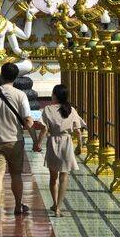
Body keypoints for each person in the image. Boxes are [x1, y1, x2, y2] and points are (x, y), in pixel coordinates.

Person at [0, 62, 33, 218]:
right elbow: (28, 119)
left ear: (1, 75)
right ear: (16, 77)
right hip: (15, 140)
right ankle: (18, 205)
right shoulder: (20, 95)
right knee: (16, 174)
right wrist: (36, 138)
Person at [34, 84, 85, 217]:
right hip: (67, 143)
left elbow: (44, 129)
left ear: (55, 95)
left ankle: (54, 202)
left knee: (53, 177)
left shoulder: (48, 109)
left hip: (53, 143)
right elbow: (78, 131)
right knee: (64, 176)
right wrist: (80, 146)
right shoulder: (71, 110)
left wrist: (38, 143)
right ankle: (58, 207)